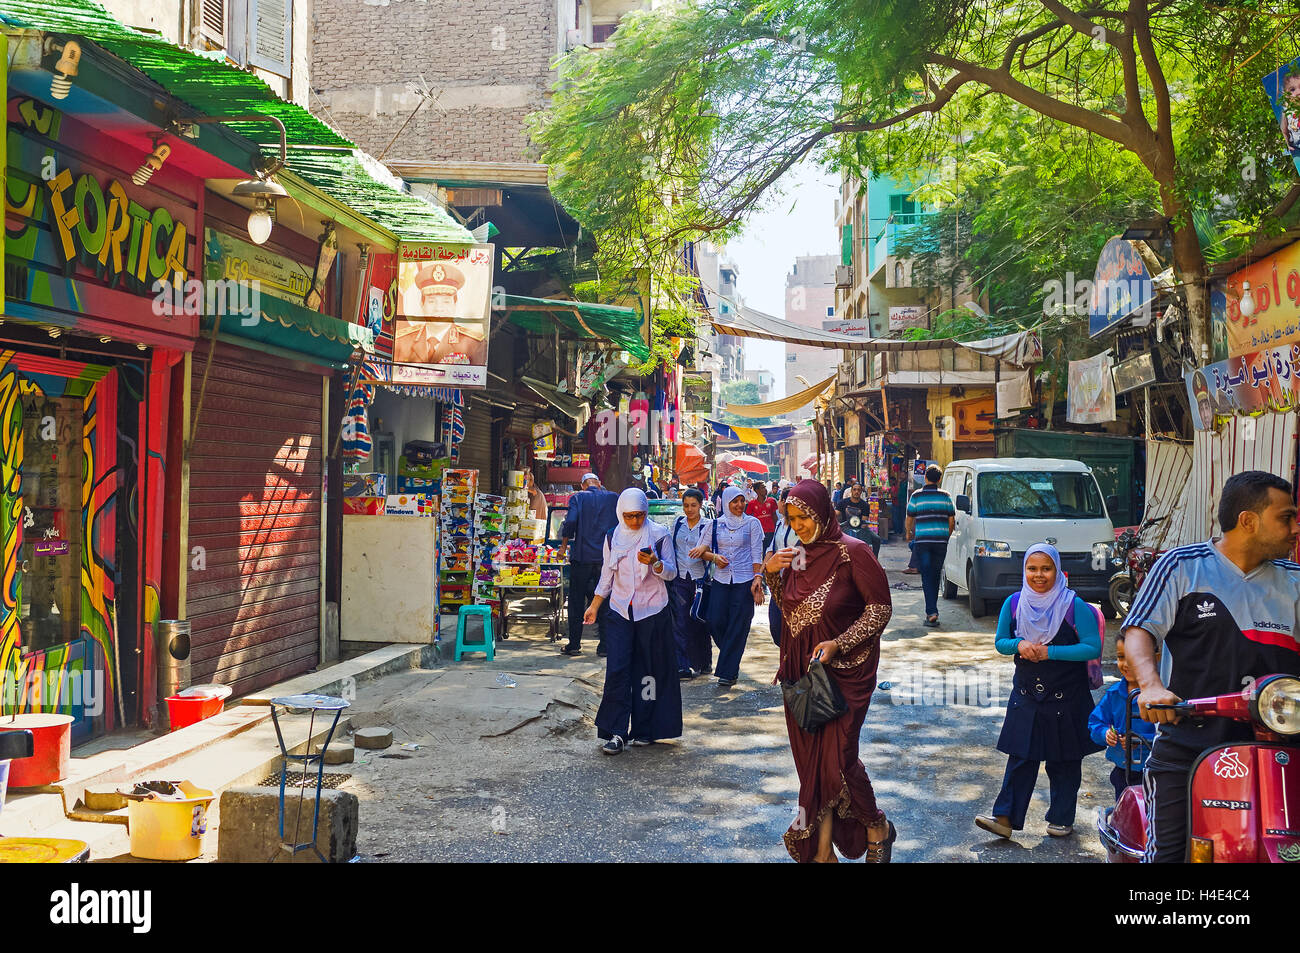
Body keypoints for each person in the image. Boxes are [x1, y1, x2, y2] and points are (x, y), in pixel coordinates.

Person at [1125, 470, 1300, 862]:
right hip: (1190, 744)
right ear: (1249, 521)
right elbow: (1139, 630)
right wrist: (1151, 685)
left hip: (1283, 750)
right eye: (1286, 517)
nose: (1295, 528)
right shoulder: (1181, 566)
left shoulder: (1295, 582)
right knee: (1169, 856)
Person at [763, 480, 895, 862]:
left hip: (847, 672)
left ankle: (876, 826)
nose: (799, 525)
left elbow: (880, 610)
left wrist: (840, 643)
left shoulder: (854, 553)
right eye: (791, 518)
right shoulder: (798, 556)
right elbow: (790, 611)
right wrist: (771, 573)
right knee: (814, 766)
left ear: (822, 512)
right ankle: (823, 853)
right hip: (805, 676)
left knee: (839, 758)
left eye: (804, 517)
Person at [975, 545, 1102, 840]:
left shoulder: (1074, 605)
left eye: (1046, 569)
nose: (1038, 575)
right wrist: (1018, 645)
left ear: (1057, 571)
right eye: (1032, 569)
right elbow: (1001, 642)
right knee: (1021, 756)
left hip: (1066, 695)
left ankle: (1061, 818)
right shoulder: (1015, 602)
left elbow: (1092, 647)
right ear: (1024, 571)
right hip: (1027, 693)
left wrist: (1050, 652)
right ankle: (1005, 819)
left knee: (1064, 759)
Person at [585, 488, 684, 755]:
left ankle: (645, 727)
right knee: (617, 670)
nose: (635, 522)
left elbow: (672, 574)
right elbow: (607, 575)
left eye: (639, 515)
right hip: (619, 612)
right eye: (629, 516)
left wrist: (655, 563)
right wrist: (594, 605)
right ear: (621, 513)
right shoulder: (612, 536)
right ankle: (617, 732)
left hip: (652, 611)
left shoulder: (659, 535)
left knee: (647, 673)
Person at [690, 486, 764, 688]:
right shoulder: (715, 525)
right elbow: (702, 551)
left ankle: (728, 672)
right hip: (721, 580)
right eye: (735, 502)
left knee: (738, 625)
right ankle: (731, 657)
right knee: (714, 621)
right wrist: (714, 557)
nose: (739, 505)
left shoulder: (752, 524)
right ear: (726, 503)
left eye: (742, 501)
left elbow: (757, 553)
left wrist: (758, 578)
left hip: (744, 581)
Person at [1088, 632, 1158, 800]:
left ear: (1156, 657)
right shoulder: (1113, 694)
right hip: (1123, 770)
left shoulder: (1162, 696)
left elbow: (1171, 732)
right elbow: (1095, 722)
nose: (1126, 664)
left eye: (1134, 657)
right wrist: (1105, 733)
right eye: (1121, 657)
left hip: (1156, 771)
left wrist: (1140, 740)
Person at [559, 473, 620, 657]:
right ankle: (604, 646)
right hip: (605, 560)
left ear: (583, 485)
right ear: (599, 484)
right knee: (605, 600)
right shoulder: (612, 497)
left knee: (576, 602)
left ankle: (575, 644)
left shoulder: (578, 497)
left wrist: (563, 546)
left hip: (582, 558)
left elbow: (570, 522)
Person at [668, 489, 713, 678]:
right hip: (680, 580)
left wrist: (704, 552)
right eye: (686, 505)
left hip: (700, 581)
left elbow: (715, 549)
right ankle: (682, 665)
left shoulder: (709, 525)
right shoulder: (677, 523)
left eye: (693, 505)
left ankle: (703, 662)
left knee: (699, 622)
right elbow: (670, 547)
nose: (689, 509)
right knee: (680, 622)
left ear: (700, 505)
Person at [905, 466, 955, 626]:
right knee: (934, 573)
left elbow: (910, 516)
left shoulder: (916, 496)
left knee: (927, 575)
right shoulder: (946, 496)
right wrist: (946, 535)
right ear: (939, 479)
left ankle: (931, 612)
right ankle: (932, 611)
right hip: (940, 542)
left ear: (925, 477)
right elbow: (951, 520)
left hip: (923, 542)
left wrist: (908, 533)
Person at [766, 486, 797, 647]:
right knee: (777, 629)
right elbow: (771, 549)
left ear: (785, 502)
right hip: (779, 586)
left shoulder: (801, 527)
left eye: (779, 500)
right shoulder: (779, 523)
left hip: (797, 586)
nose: (777, 503)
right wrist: (760, 576)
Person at [836, 482, 881, 555]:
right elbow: (836, 513)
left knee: (877, 539)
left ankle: (874, 560)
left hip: (860, 528)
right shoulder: (843, 502)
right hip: (845, 527)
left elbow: (864, 519)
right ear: (851, 491)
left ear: (861, 491)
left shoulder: (865, 505)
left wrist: (864, 525)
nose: (856, 492)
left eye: (858, 490)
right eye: (854, 489)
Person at [746, 481, 779, 551]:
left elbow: (775, 516)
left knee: (770, 552)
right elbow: (748, 519)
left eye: (765, 487)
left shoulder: (772, 501)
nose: (765, 489)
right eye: (762, 488)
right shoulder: (752, 504)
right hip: (759, 533)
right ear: (757, 490)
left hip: (771, 532)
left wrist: (777, 530)